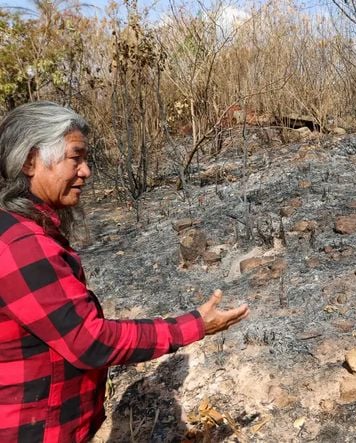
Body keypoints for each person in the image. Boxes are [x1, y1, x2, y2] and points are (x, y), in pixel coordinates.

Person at [0, 101, 249, 442]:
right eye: (76, 157)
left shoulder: (23, 232)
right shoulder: (21, 246)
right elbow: (89, 341)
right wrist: (192, 326)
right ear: (30, 161)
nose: (85, 171)